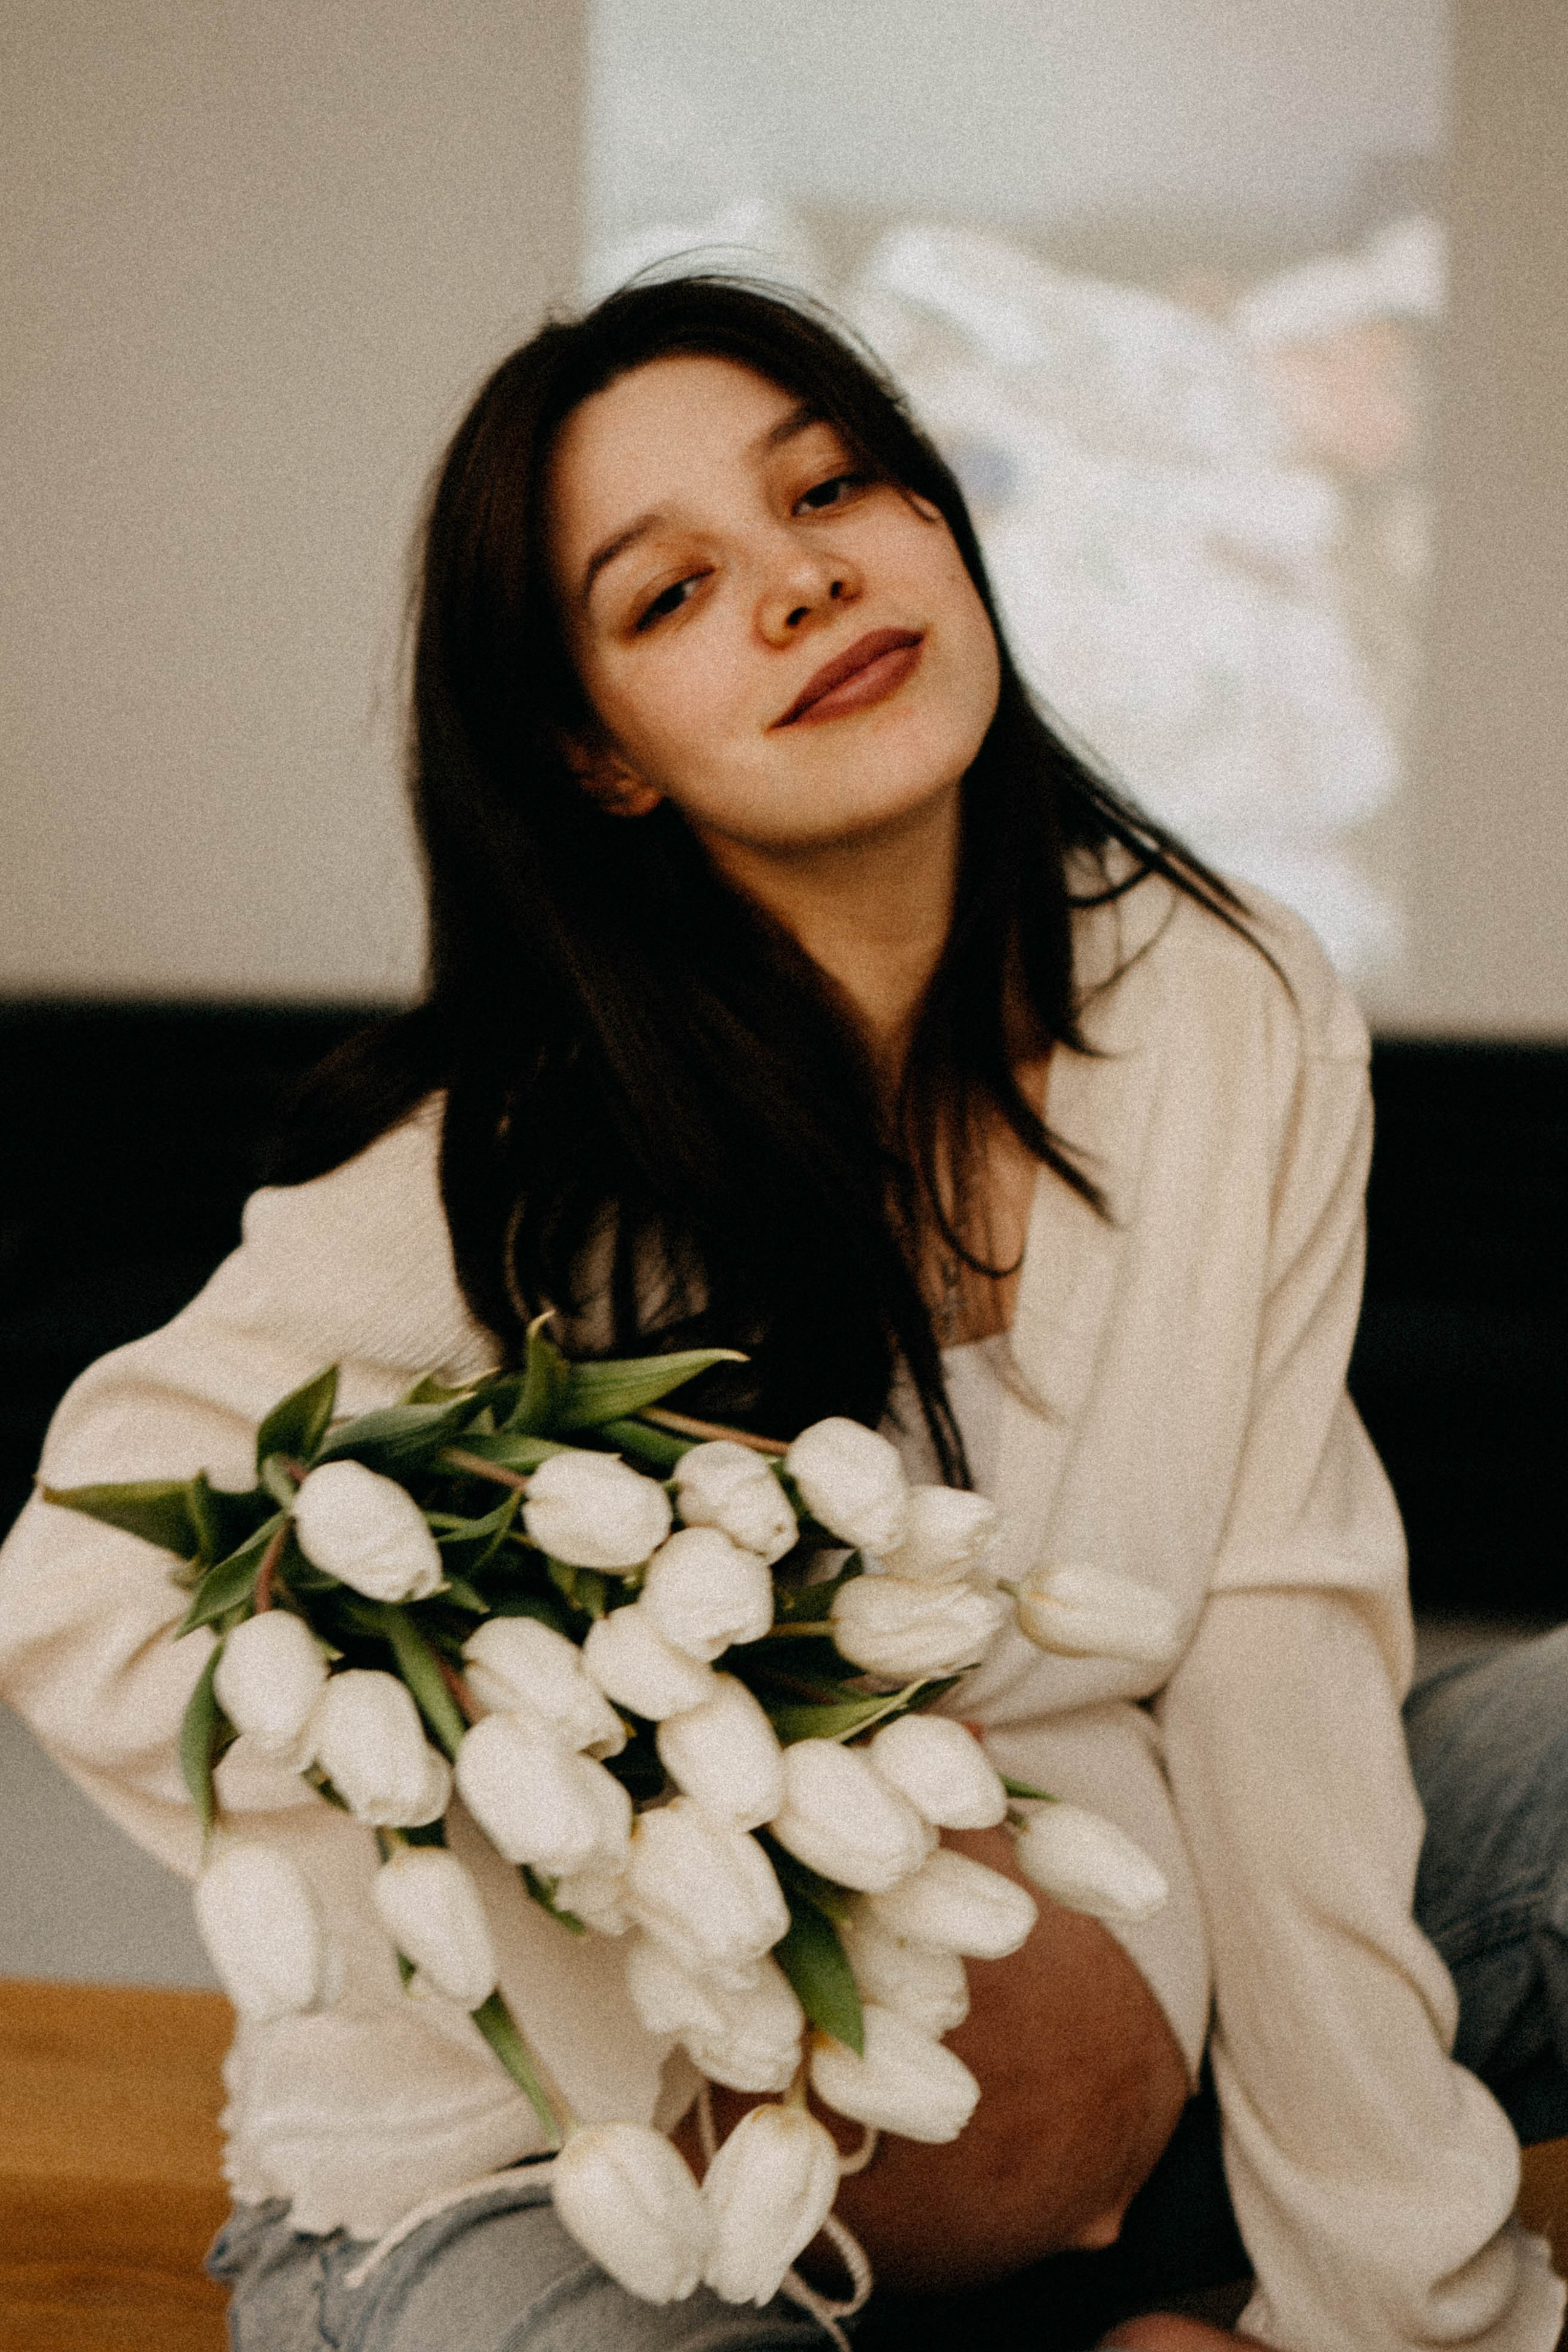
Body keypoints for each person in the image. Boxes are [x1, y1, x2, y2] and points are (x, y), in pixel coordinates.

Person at [1, 274, 1565, 2352]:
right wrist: (639, 1857)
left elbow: (1275, 1652)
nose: (805, 580)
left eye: (836, 485)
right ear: (598, 756)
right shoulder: (514, 1160)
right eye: (669, 595)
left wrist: (1378, 2315)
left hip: (1130, 2109)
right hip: (576, 2195)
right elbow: (85, 1582)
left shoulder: (1226, 1001)